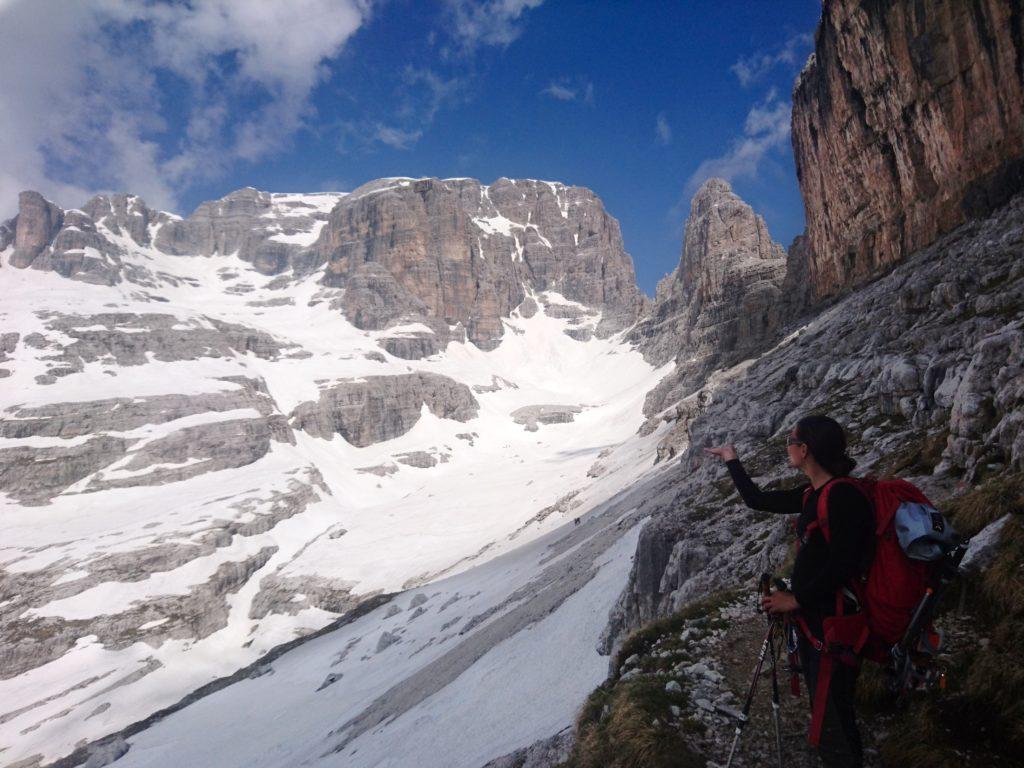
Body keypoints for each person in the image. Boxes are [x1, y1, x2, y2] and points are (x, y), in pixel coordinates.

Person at [705, 414, 873, 768]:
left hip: (834, 625)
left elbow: (843, 565)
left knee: (832, 717)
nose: (787, 447)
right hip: (821, 620)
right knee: (829, 707)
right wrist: (732, 460)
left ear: (805, 449)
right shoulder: (815, 492)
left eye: (790, 441)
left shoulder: (841, 497)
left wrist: (796, 598)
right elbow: (757, 500)